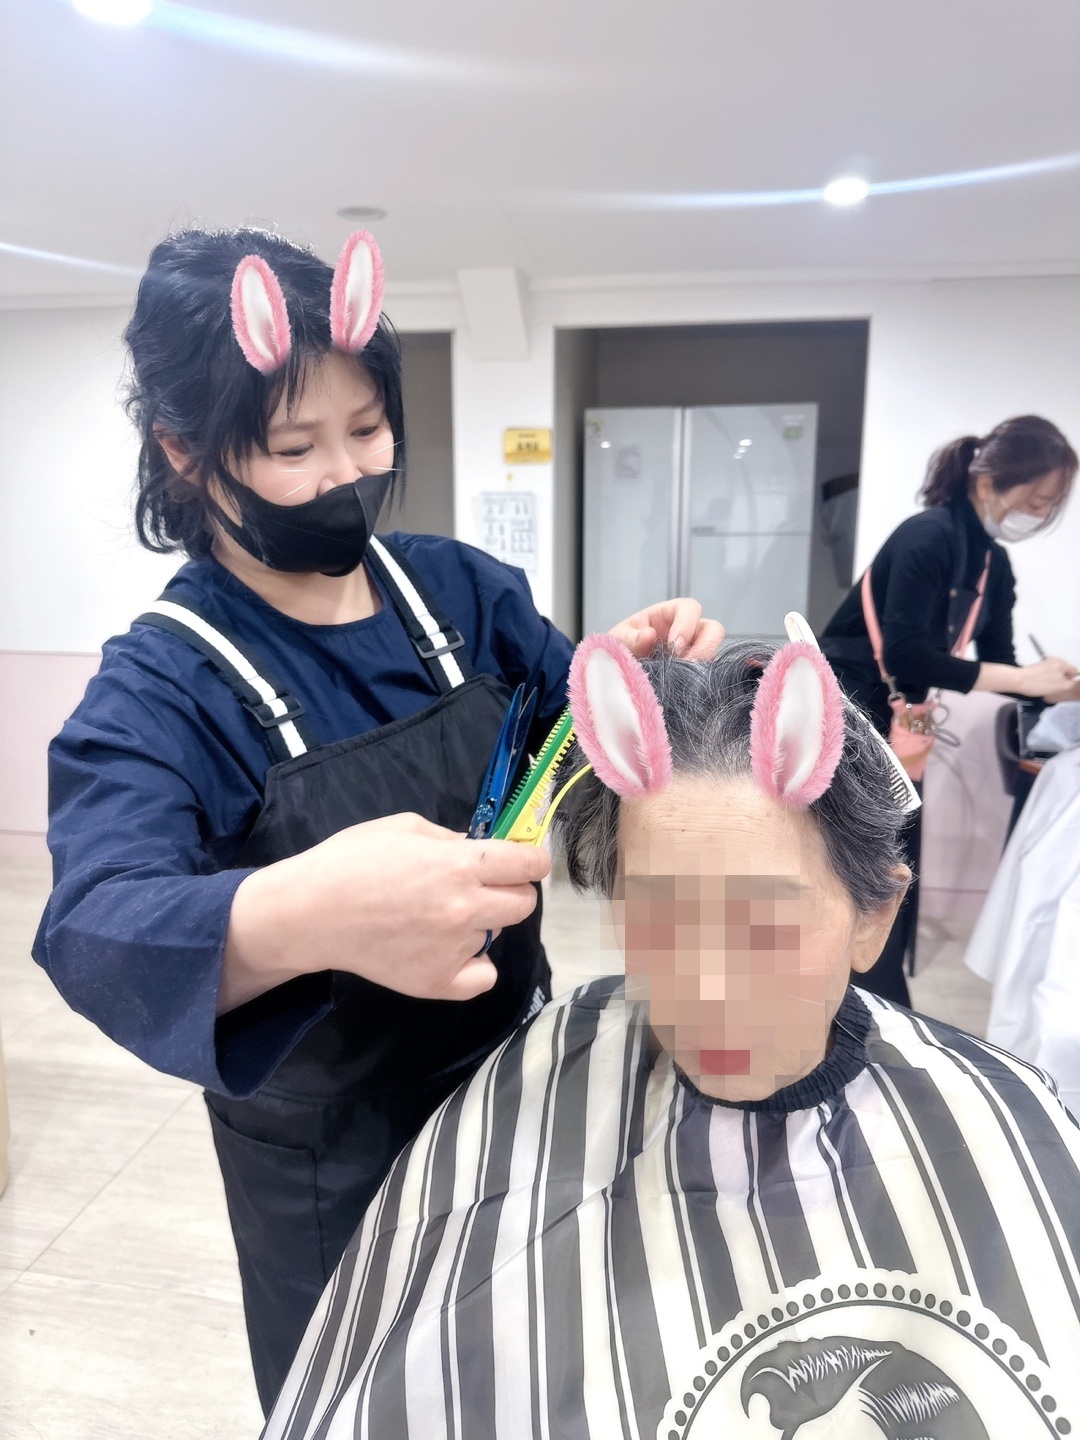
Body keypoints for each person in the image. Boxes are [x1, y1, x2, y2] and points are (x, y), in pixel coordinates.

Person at [31, 226, 724, 1413]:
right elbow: (95, 927)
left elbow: (562, 745)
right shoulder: (163, 686)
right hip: (334, 1168)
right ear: (185, 453)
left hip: (514, 1083)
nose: (346, 473)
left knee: (525, 1366)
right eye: (294, 447)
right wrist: (306, 911)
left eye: (367, 428)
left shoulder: (458, 591)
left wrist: (632, 684)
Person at [263, 632, 1080, 1440]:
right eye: (658, 917)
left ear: (875, 917)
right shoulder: (534, 1081)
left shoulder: (1007, 1123)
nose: (705, 990)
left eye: (764, 925)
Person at [819, 415, 1080, 1005]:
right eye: (1035, 500)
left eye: (1048, 507)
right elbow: (908, 654)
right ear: (988, 483)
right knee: (864, 857)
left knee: (898, 855)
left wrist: (1053, 687)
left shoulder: (993, 565)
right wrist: (1025, 679)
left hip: (904, 714)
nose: (1038, 514)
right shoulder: (927, 537)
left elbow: (1001, 662)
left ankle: (879, 993)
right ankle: (864, 995)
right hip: (849, 705)